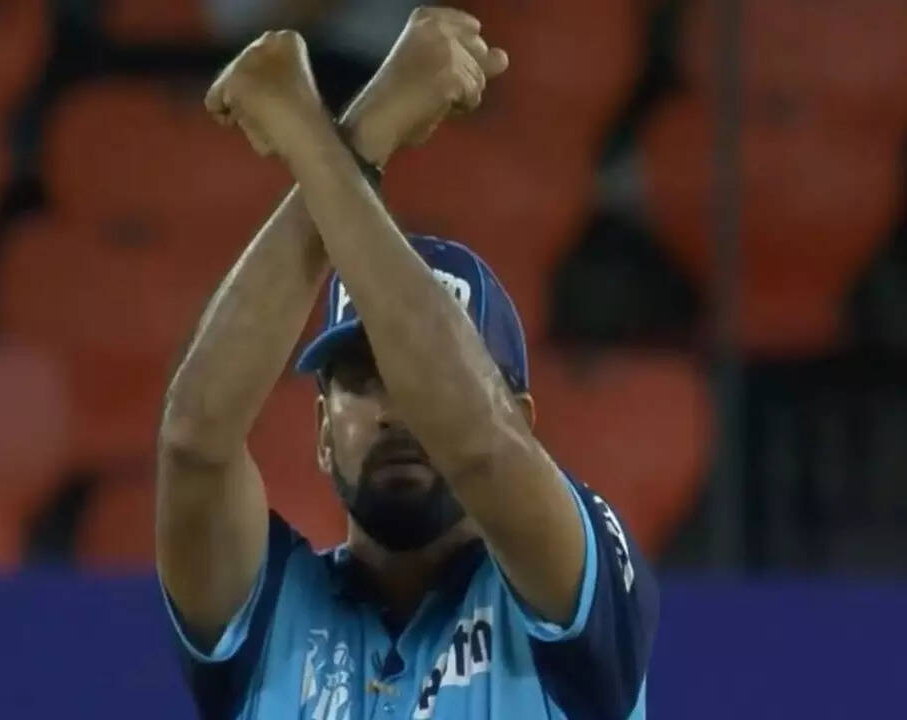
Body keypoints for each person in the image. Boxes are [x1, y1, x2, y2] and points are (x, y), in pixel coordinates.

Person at [157, 8, 658, 719]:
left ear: (521, 422)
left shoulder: (575, 584)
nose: (398, 408)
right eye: (363, 380)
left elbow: (479, 446)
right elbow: (193, 441)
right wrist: (368, 126)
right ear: (322, 433)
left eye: (425, 378)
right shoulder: (271, 612)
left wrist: (306, 129)